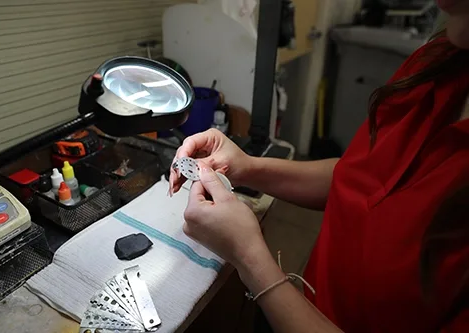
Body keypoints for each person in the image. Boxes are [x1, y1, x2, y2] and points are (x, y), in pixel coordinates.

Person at [169, 2, 469, 332]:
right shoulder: (441, 59)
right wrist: (246, 167)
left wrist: (250, 258)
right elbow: (360, 177)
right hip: (300, 306)